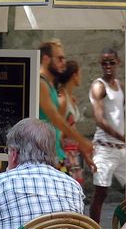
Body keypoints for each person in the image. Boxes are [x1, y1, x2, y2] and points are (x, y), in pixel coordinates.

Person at [38, 40, 92, 170]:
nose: (63, 62)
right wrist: (81, 141)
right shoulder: (40, 83)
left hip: (54, 154)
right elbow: (55, 118)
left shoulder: (49, 84)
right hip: (44, 156)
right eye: (60, 58)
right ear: (46, 59)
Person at [89, 48, 126, 224]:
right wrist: (123, 137)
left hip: (121, 148)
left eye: (111, 62)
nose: (108, 66)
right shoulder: (99, 85)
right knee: (101, 192)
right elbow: (100, 120)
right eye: (104, 63)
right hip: (104, 147)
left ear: (118, 62)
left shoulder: (119, 86)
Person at [57, 60, 87, 184]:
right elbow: (58, 129)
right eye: (79, 73)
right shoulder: (62, 99)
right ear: (74, 75)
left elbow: (72, 129)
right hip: (65, 154)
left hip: (73, 152)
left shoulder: (71, 99)